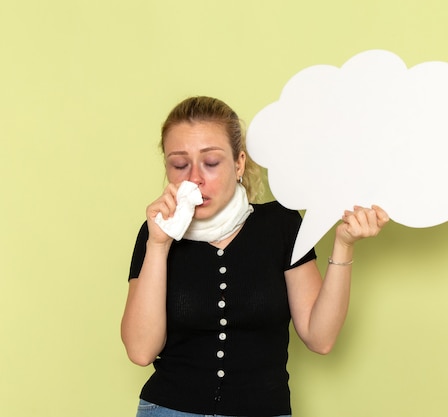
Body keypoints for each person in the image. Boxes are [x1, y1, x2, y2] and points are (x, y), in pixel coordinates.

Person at [121, 96, 389, 417]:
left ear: (239, 163)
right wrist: (159, 244)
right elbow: (140, 350)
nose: (195, 178)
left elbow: (321, 339)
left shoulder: (281, 224)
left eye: (211, 162)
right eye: (180, 165)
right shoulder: (155, 233)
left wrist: (344, 244)